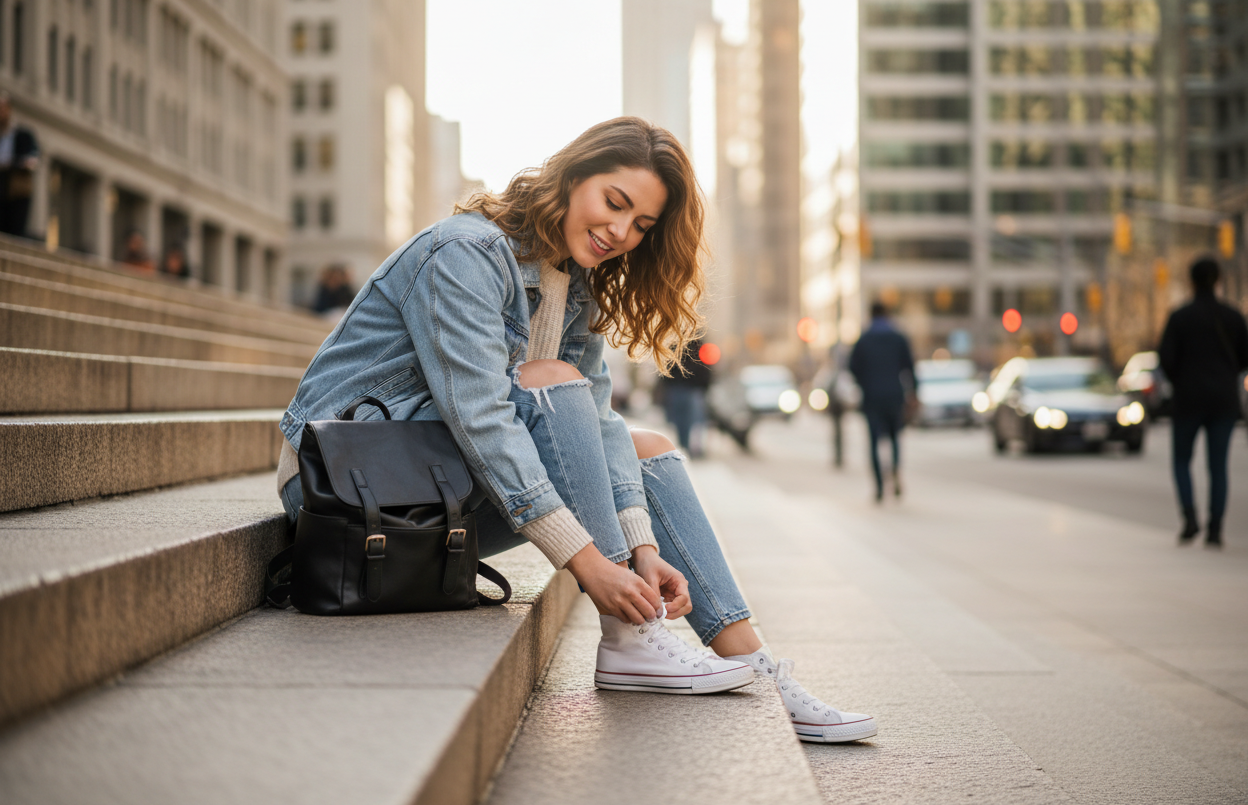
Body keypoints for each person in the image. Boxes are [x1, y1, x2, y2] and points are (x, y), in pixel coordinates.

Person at [274, 118, 875, 743]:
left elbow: (599, 421)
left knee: (648, 447)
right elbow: (480, 418)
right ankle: (631, 637)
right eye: (614, 203)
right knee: (547, 377)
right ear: (570, 177)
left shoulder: (574, 287)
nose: (621, 232)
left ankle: (753, 664)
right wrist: (592, 565)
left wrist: (642, 550)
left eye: (641, 225)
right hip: (345, 494)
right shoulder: (464, 253)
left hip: (436, 502)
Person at [1159, 256, 1248, 548]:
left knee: (1182, 460)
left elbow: (1166, 359)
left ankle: (1189, 518)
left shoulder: (1180, 317)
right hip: (1223, 399)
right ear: (1218, 280)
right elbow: (1244, 358)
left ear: (1192, 281)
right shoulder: (1233, 317)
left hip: (1188, 400)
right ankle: (1215, 528)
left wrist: (1183, 380)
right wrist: (1224, 376)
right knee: (1218, 466)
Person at [849, 301, 916, 501]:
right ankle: (895, 470)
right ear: (887, 315)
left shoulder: (864, 339)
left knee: (873, 442)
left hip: (871, 397)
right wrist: (913, 392)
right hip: (894, 395)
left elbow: (853, 367)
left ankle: (879, 486)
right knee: (895, 438)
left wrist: (864, 384)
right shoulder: (898, 338)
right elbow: (910, 367)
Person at [658, 337, 712, 457]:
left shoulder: (680, 344)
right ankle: (686, 447)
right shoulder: (683, 345)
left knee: (686, 421)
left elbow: (666, 366)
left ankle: (686, 447)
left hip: (686, 388)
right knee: (686, 421)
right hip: (685, 388)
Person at [0, 92, 40, 239]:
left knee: (15, 230)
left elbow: (32, 157)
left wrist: (19, 164)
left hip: (16, 186)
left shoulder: (22, 134)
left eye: (3, 108)